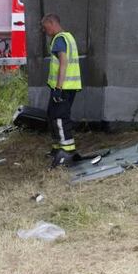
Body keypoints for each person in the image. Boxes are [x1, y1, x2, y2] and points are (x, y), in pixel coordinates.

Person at [40, 14, 82, 168]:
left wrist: (58, 88)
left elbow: (63, 64)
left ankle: (67, 150)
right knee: (52, 114)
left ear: (52, 23)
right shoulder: (68, 37)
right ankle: (58, 148)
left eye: (46, 27)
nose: (45, 31)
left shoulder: (59, 39)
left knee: (59, 117)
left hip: (63, 88)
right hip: (67, 86)